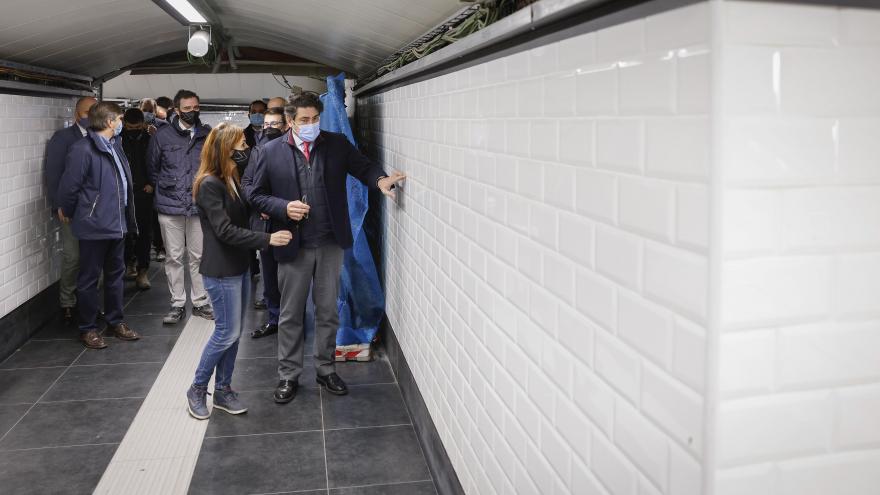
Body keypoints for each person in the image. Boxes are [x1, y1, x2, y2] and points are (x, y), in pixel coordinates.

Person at [249, 92, 405, 403]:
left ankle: (325, 368)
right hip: (293, 244)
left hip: (330, 242)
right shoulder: (270, 152)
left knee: (327, 311)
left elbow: (363, 167)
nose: (310, 125)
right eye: (304, 120)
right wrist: (282, 207)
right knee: (291, 314)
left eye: (315, 119)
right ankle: (288, 375)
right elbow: (253, 192)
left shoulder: (335, 144)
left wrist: (381, 181)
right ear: (291, 121)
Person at [186, 123, 292, 419]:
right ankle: (196, 388)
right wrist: (267, 239)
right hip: (221, 270)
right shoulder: (209, 184)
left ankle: (223, 390)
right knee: (225, 332)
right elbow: (225, 231)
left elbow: (242, 212)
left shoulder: (230, 178)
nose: (246, 150)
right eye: (241, 145)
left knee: (233, 334)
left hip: (238, 266)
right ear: (225, 149)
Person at [56, 101, 141, 349]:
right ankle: (88, 328)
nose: (122, 123)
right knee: (89, 279)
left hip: (117, 223)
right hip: (95, 224)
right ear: (108, 122)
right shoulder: (83, 149)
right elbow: (69, 186)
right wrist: (70, 212)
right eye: (120, 119)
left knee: (116, 276)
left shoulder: (115, 145)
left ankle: (116, 322)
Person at [147, 89, 214, 325]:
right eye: (187, 109)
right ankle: (177, 303)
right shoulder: (162, 136)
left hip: (198, 205)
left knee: (199, 256)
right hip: (169, 205)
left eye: (196, 107)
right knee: (174, 257)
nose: (193, 112)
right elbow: (153, 168)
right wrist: (168, 188)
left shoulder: (207, 135)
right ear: (176, 110)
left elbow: (213, 168)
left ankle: (200, 301)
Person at [46, 96, 97, 324]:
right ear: (77, 115)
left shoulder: (102, 137)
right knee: (73, 256)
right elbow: (54, 174)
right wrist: (59, 205)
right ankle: (68, 301)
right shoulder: (63, 139)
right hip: (72, 209)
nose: (93, 117)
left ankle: (90, 302)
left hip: (96, 210)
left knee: (94, 258)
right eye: (89, 113)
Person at [243, 107, 287, 336]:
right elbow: (247, 184)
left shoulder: (294, 151)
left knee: (291, 275)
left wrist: (276, 206)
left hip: (290, 222)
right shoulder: (257, 151)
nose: (269, 129)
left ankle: (293, 320)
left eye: (275, 124)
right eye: (266, 125)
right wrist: (261, 206)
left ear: (286, 125)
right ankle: (274, 318)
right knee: (269, 274)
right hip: (265, 224)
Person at [120, 108, 153, 290]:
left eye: (137, 127)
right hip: (123, 193)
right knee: (124, 232)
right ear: (124, 124)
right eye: (130, 127)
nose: (134, 130)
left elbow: (156, 162)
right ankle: (128, 263)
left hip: (143, 192)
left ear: (143, 125)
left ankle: (143, 270)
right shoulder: (117, 139)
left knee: (143, 233)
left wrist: (152, 183)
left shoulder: (149, 141)